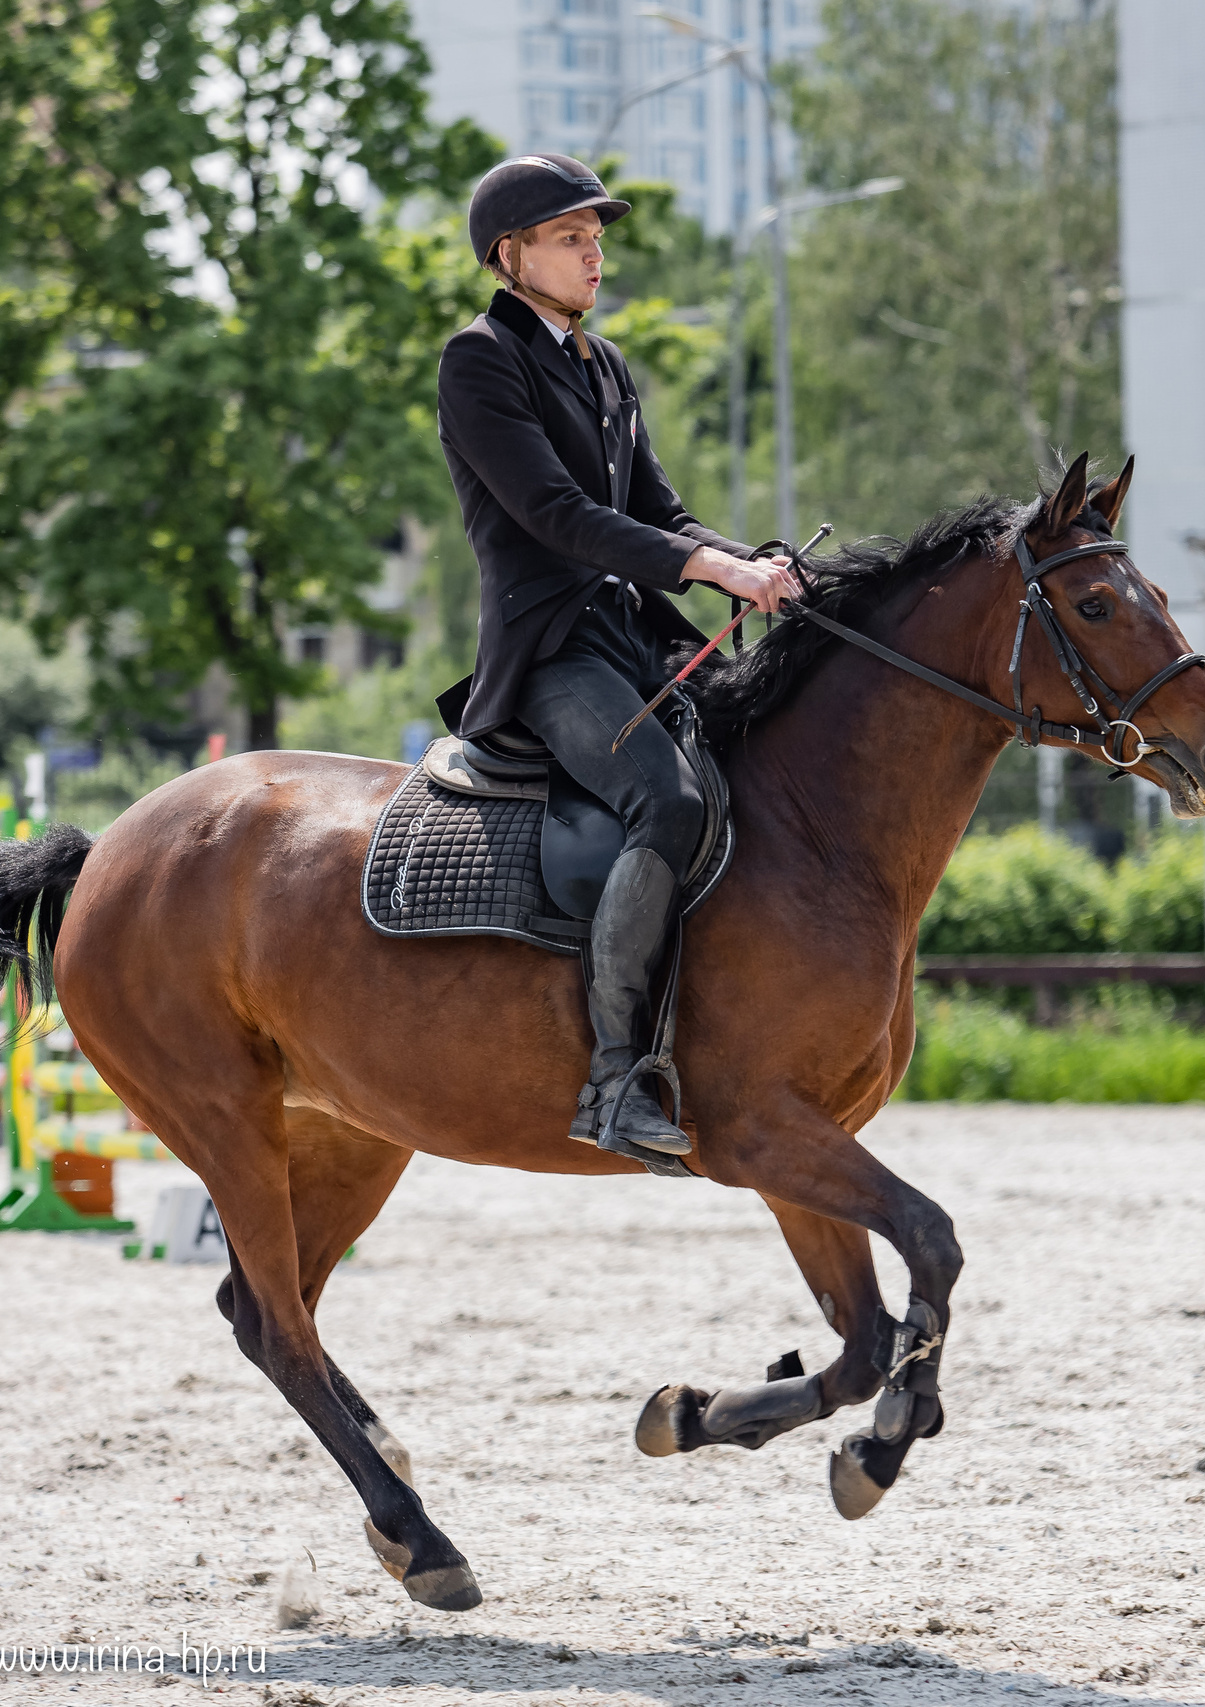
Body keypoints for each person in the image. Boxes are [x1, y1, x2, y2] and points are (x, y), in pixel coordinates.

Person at [432, 153, 800, 1161]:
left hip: (634, 633)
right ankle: (614, 1081)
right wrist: (712, 569)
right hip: (551, 648)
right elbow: (557, 514)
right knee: (666, 801)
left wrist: (754, 563)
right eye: (570, 239)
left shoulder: (604, 365)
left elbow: (659, 512)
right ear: (510, 255)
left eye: (596, 239)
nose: (594, 256)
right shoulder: (479, 360)